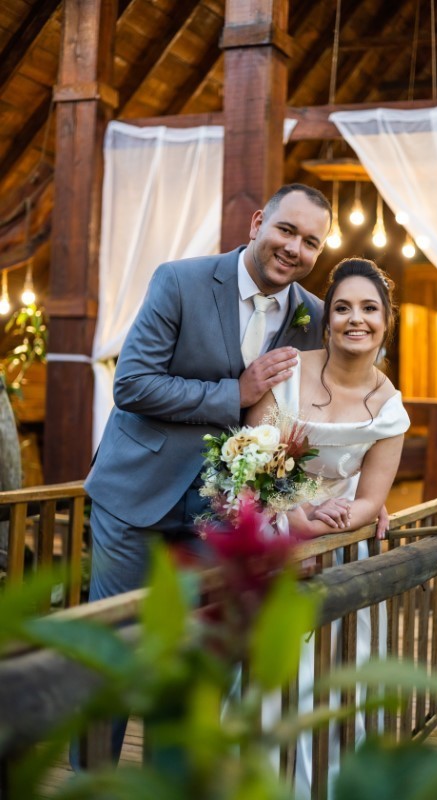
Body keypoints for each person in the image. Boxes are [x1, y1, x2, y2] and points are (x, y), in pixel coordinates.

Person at [80, 183, 333, 764]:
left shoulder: (314, 316)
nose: (294, 248)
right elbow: (132, 384)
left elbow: (335, 401)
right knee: (113, 650)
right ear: (258, 222)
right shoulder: (180, 280)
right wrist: (233, 394)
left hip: (221, 516)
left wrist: (367, 490)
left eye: (311, 242)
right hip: (135, 496)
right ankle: (91, 781)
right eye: (286, 230)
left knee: (195, 662)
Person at [245, 257, 410, 795]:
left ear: (386, 320)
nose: (355, 319)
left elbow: (370, 502)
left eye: (369, 309)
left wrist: (332, 523)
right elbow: (253, 458)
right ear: (327, 320)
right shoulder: (288, 373)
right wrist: (300, 519)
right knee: (272, 668)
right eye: (342, 308)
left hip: (342, 547)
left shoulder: (390, 407)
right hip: (275, 533)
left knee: (336, 672)